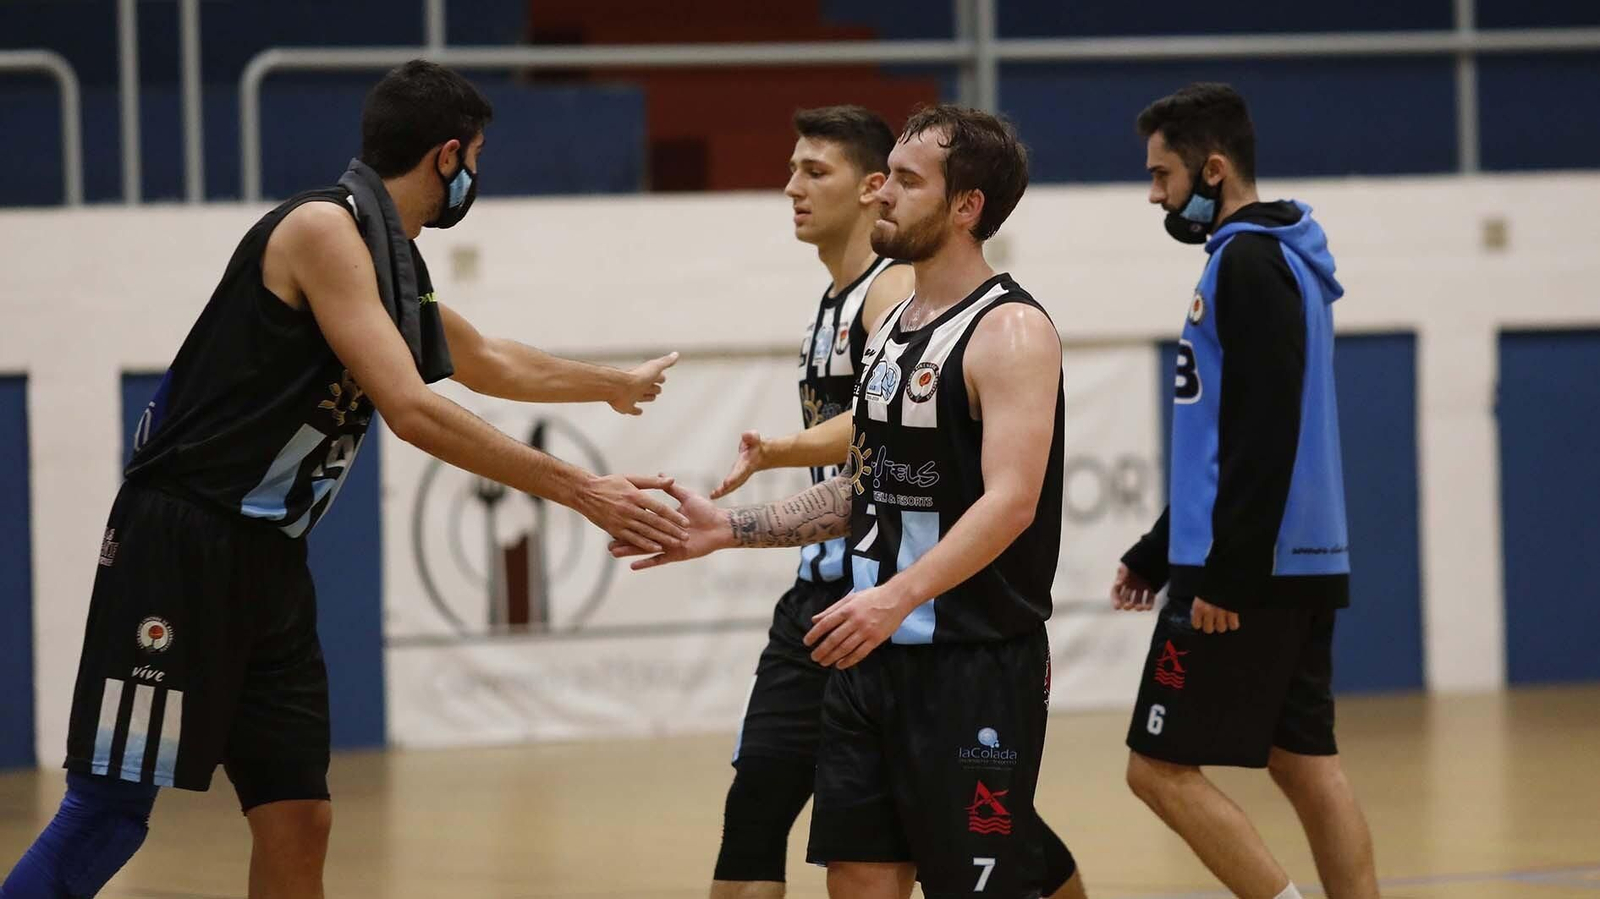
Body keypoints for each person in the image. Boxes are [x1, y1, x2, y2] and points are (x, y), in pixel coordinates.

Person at [0, 60, 688, 899]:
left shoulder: (393, 260)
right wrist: (584, 490)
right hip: (182, 542)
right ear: (447, 156)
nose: (475, 177)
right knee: (109, 812)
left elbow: (485, 357)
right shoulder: (324, 230)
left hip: (270, 561)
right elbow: (411, 408)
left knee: (299, 816)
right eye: (476, 158)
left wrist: (610, 384)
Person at [620, 104, 1072, 899]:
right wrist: (729, 527)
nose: (883, 194)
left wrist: (895, 597)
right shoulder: (895, 325)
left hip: (969, 663)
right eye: (886, 176)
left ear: (967, 206)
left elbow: (1011, 503)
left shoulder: (1011, 331)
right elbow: (872, 486)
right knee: (856, 876)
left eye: (907, 181)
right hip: (867, 657)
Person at [1110, 82, 1378, 899]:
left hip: (1248, 572)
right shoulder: (1283, 257)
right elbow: (1226, 436)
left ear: (1214, 169)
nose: (1155, 195)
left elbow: (1263, 434)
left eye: (1162, 175)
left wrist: (1225, 573)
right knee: (1304, 759)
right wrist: (1158, 550)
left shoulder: (1248, 263)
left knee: (1156, 767)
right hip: (1297, 558)